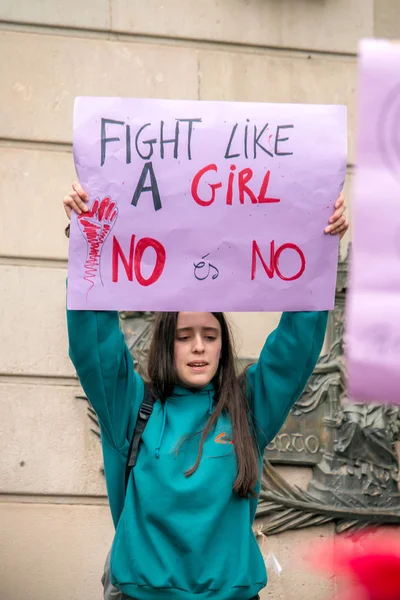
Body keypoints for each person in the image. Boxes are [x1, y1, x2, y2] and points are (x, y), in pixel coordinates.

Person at [64, 182, 349, 600]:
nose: (198, 346)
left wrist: (319, 246)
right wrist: (86, 245)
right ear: (166, 344)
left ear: (222, 345)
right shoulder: (131, 409)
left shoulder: (248, 409)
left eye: (210, 335)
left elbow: (296, 347)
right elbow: (94, 345)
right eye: (184, 336)